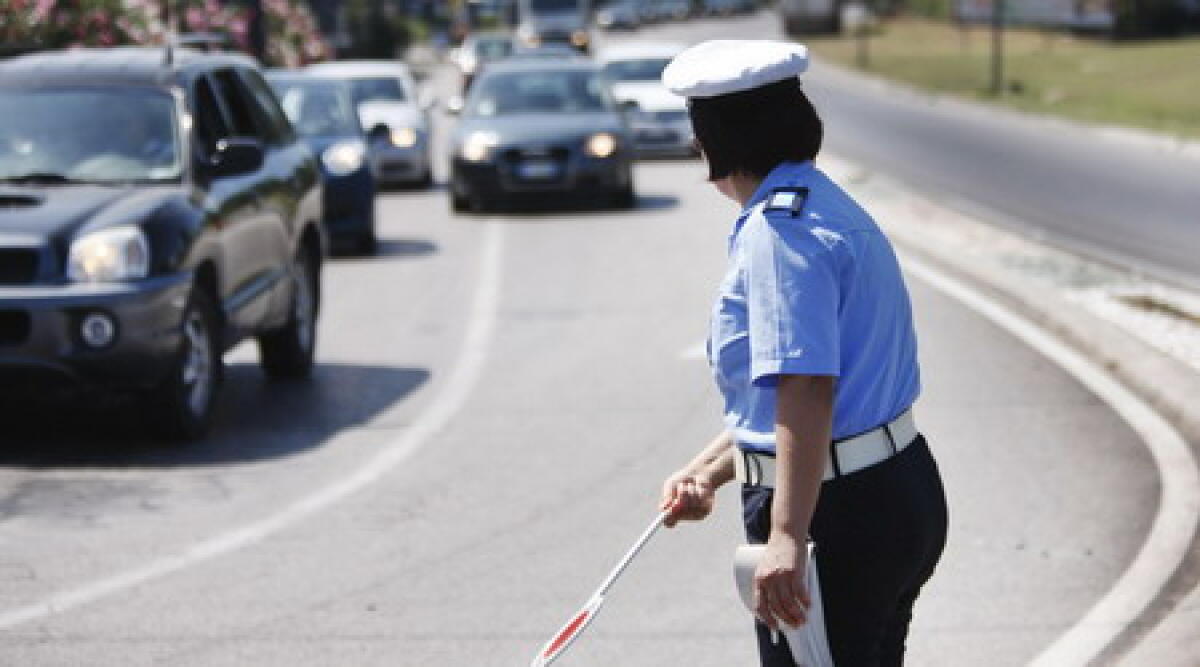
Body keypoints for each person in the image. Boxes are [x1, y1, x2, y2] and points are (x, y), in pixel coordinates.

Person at [656, 40, 949, 666]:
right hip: (893, 489)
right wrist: (709, 469)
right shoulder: (823, 206)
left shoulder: (778, 235)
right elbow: (805, 399)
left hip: (837, 516)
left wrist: (786, 537)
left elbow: (807, 388)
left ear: (714, 141)